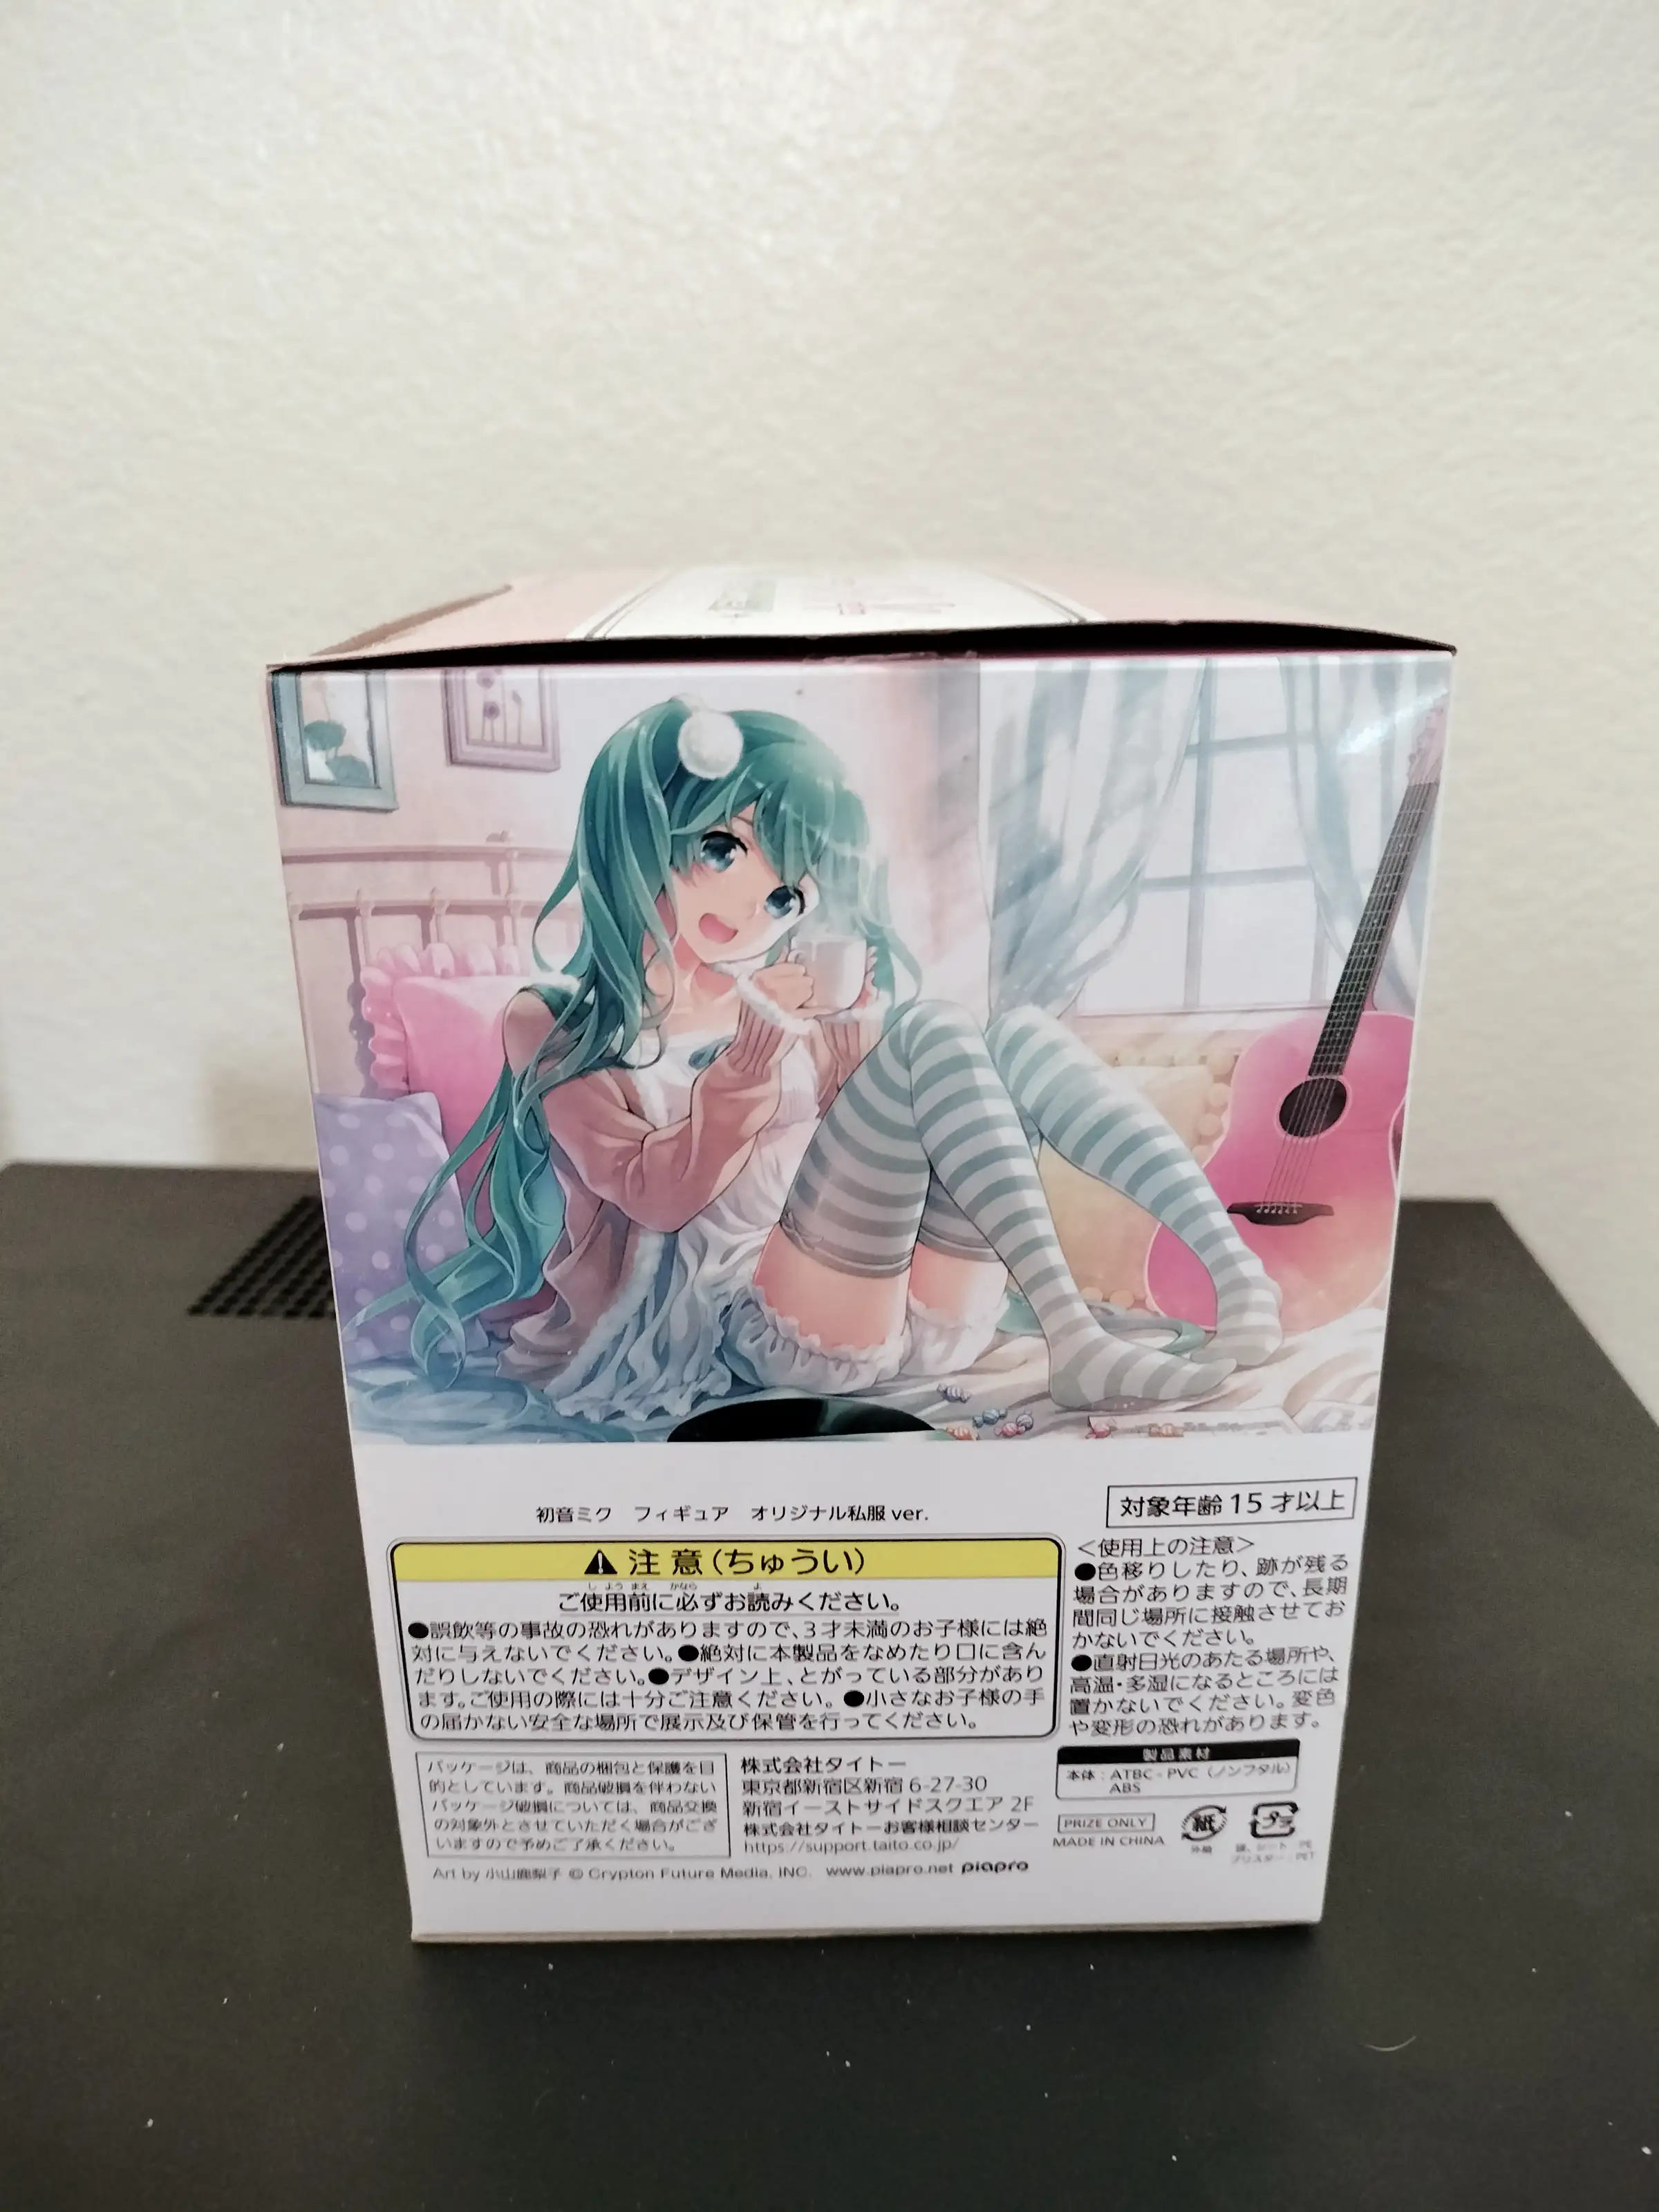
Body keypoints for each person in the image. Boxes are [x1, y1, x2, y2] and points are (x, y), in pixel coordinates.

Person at [375, 697, 1280, 1427]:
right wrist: (751, 1061)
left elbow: (857, 1171)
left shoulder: (786, 995)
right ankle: (1073, 1331)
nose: (752, 905)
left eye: (783, 895)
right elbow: (655, 1197)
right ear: (639, 834)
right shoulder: (555, 1019)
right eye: (721, 850)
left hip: (907, 1306)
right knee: (935, 1030)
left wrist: (852, 1059)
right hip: (738, 1325)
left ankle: (1234, 1280)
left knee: (1019, 1036)